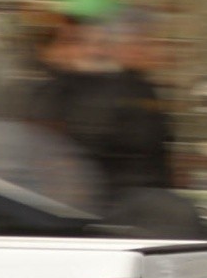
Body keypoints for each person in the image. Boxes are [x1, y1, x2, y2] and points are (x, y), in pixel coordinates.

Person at [28, 12, 174, 196]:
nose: (92, 51)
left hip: (126, 203)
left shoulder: (133, 89)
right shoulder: (48, 94)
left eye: (100, 43)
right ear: (47, 51)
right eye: (75, 42)